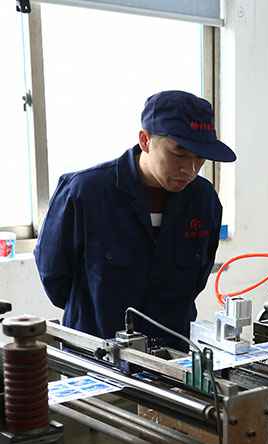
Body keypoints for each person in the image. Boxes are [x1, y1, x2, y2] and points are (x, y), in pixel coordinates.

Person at [35, 90, 236, 348]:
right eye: (179, 153)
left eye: (200, 157)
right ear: (145, 140)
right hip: (96, 353)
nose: (190, 169)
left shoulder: (203, 200)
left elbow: (197, 279)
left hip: (171, 355)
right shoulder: (85, 193)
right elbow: (55, 278)